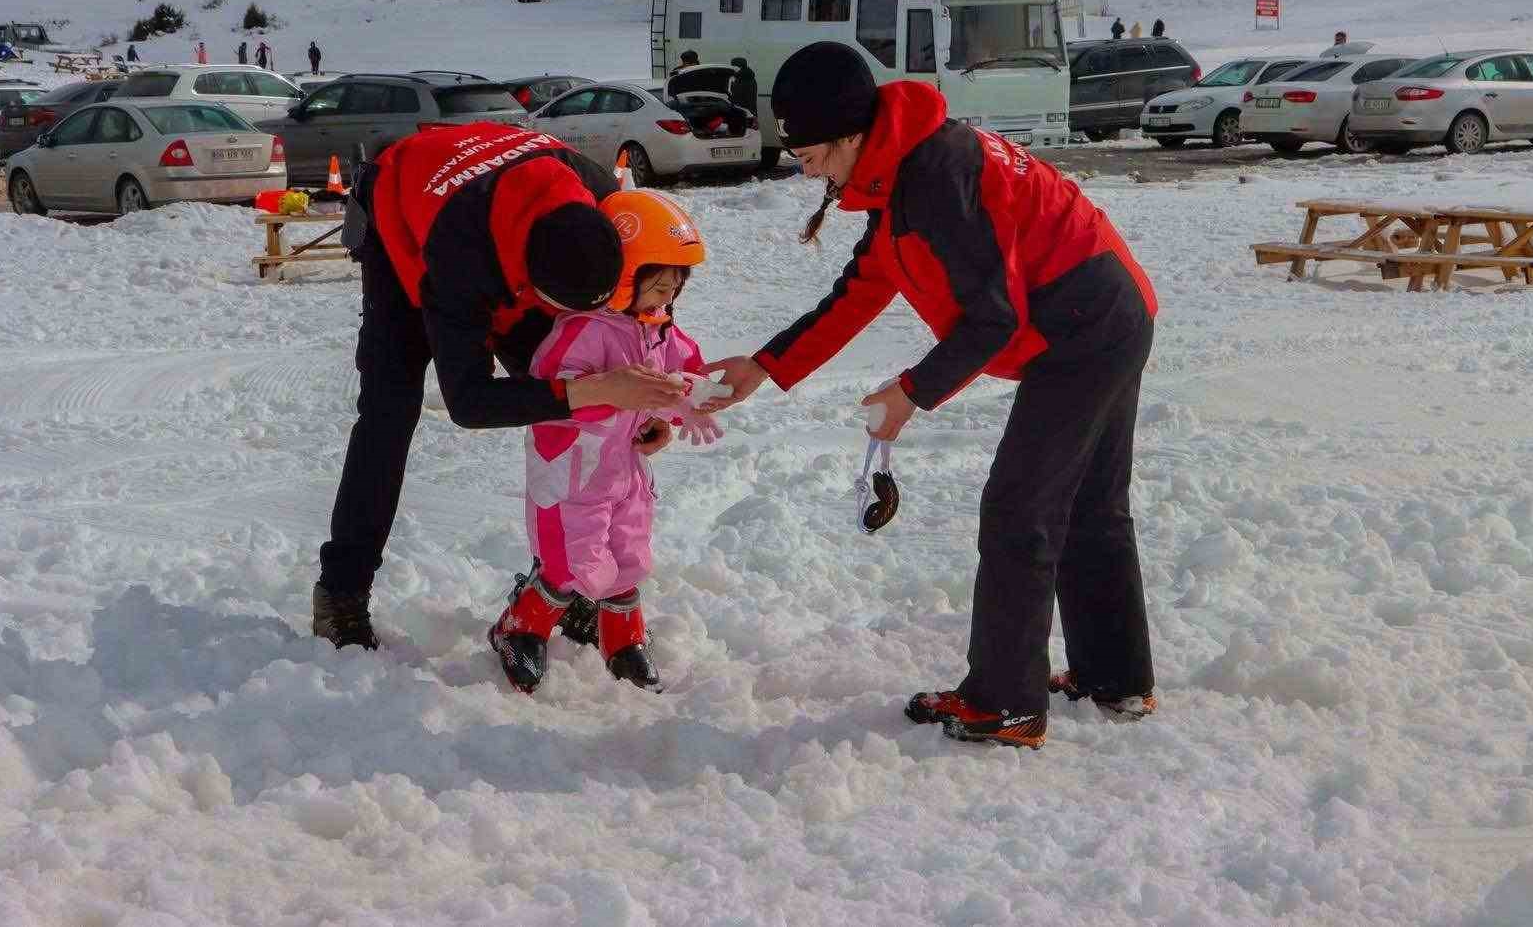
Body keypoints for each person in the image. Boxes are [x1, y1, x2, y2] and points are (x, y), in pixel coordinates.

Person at [703, 42, 1159, 750]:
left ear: (852, 134)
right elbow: (859, 290)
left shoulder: (934, 179)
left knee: (1020, 508)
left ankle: (1006, 703)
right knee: (1088, 506)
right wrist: (764, 366)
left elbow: (993, 317)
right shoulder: (898, 173)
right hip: (1098, 311)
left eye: (811, 150)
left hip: (1085, 326)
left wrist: (910, 394)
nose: (804, 165)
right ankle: (1114, 678)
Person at [313, 123, 687, 649]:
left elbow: (642, 317)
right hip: (408, 211)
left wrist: (646, 407)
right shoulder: (460, 257)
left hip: (510, 204)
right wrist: (596, 388)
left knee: (575, 393)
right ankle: (341, 590)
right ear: (529, 287)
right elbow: (468, 403)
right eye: (564, 310)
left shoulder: (606, 202)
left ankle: (562, 575)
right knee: (389, 409)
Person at [489, 190, 720, 695]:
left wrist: (689, 400)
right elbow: (557, 396)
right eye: (657, 288)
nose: (666, 301)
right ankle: (521, 627)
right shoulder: (580, 333)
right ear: (620, 280)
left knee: (630, 553)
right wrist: (614, 393)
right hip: (572, 476)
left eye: (674, 289)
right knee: (572, 562)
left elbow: (684, 369)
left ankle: (621, 637)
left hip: (627, 473)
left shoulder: (657, 331)